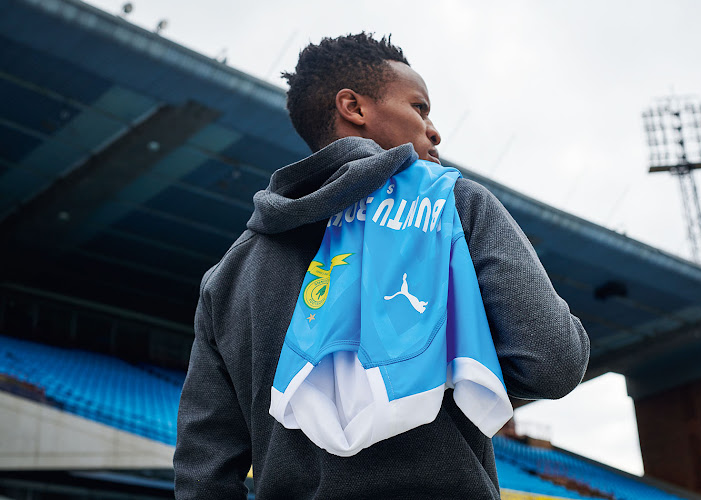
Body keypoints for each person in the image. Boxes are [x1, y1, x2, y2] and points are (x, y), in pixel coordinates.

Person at [174, 33, 590, 499]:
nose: (434, 130)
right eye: (420, 107)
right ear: (353, 107)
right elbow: (554, 363)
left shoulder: (230, 274)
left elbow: (202, 471)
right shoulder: (453, 205)